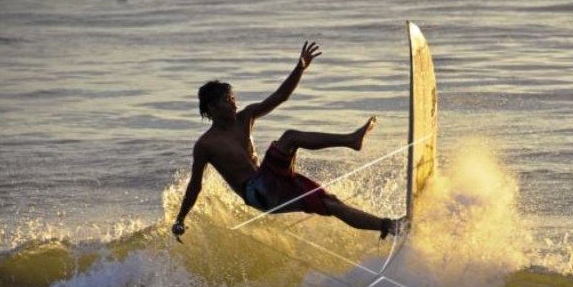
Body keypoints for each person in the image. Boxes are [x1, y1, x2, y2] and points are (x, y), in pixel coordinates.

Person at [172, 41, 405, 242]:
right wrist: (181, 218)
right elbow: (195, 184)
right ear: (212, 108)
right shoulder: (206, 144)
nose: (234, 104)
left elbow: (280, 96)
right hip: (257, 192)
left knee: (332, 204)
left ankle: (391, 227)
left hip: (274, 180)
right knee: (290, 137)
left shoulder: (246, 117)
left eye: (233, 98)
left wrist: (300, 68)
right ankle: (351, 140)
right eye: (226, 101)